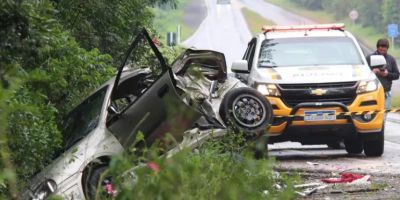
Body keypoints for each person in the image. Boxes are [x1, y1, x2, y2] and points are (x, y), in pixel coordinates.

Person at [366, 38, 400, 111]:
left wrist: (387, 74)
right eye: (380, 50)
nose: (382, 52)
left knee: (385, 113)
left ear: (387, 49)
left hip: (386, 91)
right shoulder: (369, 58)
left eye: (384, 51)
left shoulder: (391, 59)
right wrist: (372, 72)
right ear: (377, 48)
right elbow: (362, 74)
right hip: (372, 92)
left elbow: (397, 75)